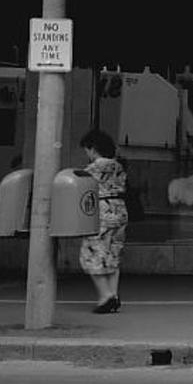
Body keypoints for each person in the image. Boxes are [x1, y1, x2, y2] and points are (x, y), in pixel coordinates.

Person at [78, 129, 129, 314]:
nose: (87, 154)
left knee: (92, 253)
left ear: (93, 148)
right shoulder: (119, 165)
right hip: (120, 210)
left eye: (87, 150)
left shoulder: (94, 168)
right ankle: (113, 295)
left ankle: (105, 296)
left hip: (103, 211)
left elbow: (78, 185)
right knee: (113, 254)